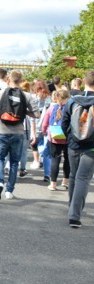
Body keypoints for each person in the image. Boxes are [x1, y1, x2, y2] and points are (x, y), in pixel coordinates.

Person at [0, 70, 40, 200]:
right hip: (18, 132)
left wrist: (0, 110)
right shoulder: (26, 96)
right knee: (14, 162)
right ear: (21, 81)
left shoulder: (0, 94)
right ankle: (9, 191)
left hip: (2, 131)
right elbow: (37, 114)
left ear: (8, 80)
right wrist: (25, 112)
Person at [62, 70, 94, 228]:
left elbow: (64, 122)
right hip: (91, 147)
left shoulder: (73, 100)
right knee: (83, 179)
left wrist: (69, 138)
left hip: (73, 144)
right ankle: (74, 216)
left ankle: (71, 207)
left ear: (84, 81)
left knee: (74, 176)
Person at [42, 89, 71, 191]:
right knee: (67, 160)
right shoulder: (70, 108)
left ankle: (53, 184)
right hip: (67, 138)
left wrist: (44, 131)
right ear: (67, 98)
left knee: (55, 160)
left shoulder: (51, 108)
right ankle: (65, 181)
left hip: (54, 137)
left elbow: (45, 123)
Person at [30, 80, 52, 182]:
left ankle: (37, 161)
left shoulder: (33, 99)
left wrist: (33, 134)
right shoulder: (50, 99)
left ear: (37, 89)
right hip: (47, 129)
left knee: (35, 145)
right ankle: (47, 174)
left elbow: (32, 118)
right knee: (47, 152)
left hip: (37, 127)